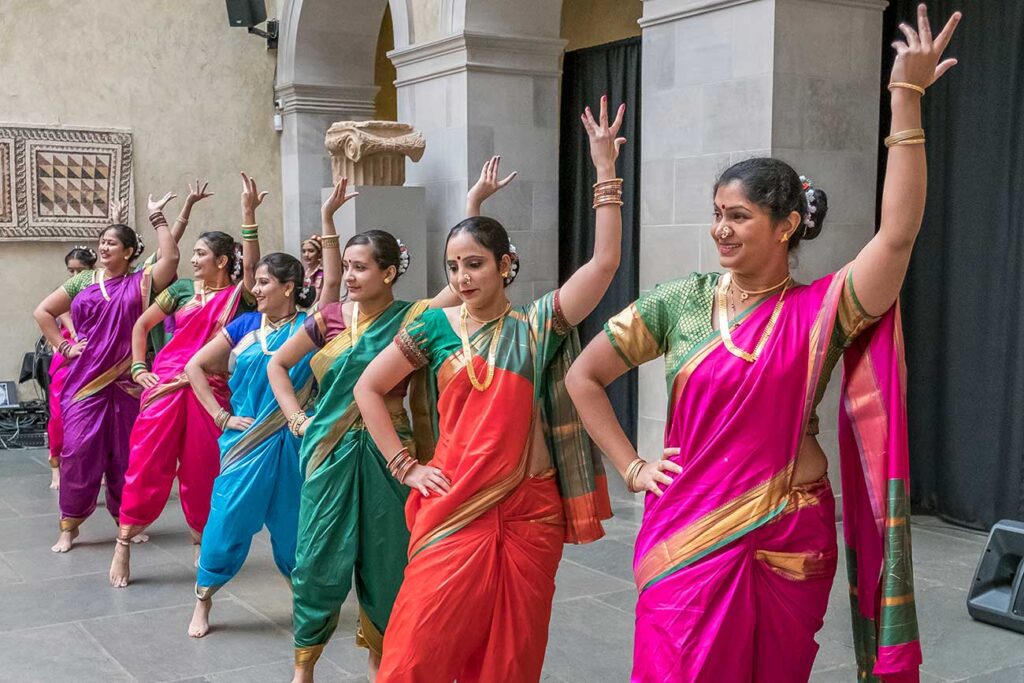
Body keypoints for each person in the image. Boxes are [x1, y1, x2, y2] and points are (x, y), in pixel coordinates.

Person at [563, 8, 960, 681]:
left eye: (738, 215)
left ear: (786, 226)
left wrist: (906, 96)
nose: (720, 228)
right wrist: (631, 467)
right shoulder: (679, 300)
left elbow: (896, 235)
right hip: (686, 531)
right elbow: (582, 376)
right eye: (718, 213)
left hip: (788, 534)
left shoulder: (820, 310)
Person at [354, 96, 626, 682]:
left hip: (530, 514)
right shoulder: (432, 326)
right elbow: (368, 390)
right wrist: (405, 467)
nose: (461, 278)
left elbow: (604, 263)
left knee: (510, 659)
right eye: (453, 267)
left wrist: (604, 173)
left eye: (474, 265)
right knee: (412, 654)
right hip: (453, 504)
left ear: (506, 265)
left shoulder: (537, 325)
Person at [272, 166, 511, 683]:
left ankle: (383, 663)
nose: (352, 276)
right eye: (348, 267)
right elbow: (277, 365)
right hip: (326, 453)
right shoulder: (329, 318)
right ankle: (303, 668)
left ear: (388, 272)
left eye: (361, 268)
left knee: (387, 562)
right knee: (314, 558)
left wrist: (473, 203)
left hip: (389, 455)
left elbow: (465, 277)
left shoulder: (414, 317)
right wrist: (294, 414)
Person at [109, 177, 262, 587]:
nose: (194, 260)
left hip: (209, 388)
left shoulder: (240, 297)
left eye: (201, 254)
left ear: (222, 261)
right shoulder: (179, 291)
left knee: (202, 468)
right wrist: (140, 368)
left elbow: (251, 266)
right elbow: (141, 325)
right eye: (193, 253)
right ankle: (123, 542)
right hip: (165, 385)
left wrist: (249, 216)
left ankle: (201, 544)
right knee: (145, 463)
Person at [33, 192, 181, 552]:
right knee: (79, 451)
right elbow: (43, 312)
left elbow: (172, 257)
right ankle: (69, 525)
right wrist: (66, 347)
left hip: (128, 384)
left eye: (112, 243)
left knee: (126, 457)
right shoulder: (83, 282)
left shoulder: (143, 282)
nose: (104, 248)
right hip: (84, 383)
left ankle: (125, 520)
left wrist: (158, 218)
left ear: (129, 252)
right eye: (102, 242)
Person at [184, 246, 318, 638]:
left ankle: (304, 602)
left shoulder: (310, 328)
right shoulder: (243, 326)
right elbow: (194, 366)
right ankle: (203, 601)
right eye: (256, 281)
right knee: (225, 522)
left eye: (264, 282)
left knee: (295, 528)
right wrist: (220, 415)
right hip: (243, 445)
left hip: (292, 442)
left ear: (289, 287)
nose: (255, 289)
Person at [46, 246, 98, 490]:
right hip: (69, 352)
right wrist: (71, 339)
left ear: (91, 270)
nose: (75, 275)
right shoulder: (66, 292)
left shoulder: (103, 288)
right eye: (71, 271)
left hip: (97, 356)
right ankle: (56, 468)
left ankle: (94, 470)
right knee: (58, 416)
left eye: (80, 270)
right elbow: (55, 315)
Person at [301, 235, 325, 305]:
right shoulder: (305, 272)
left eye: (311, 251)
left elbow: (316, 297)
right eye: (304, 251)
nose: (306, 255)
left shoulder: (320, 273)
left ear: (319, 253)